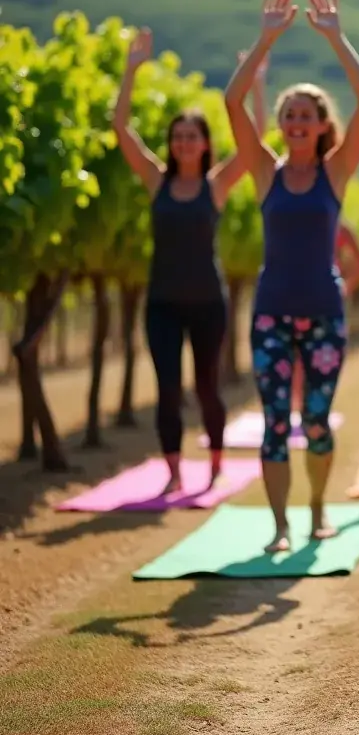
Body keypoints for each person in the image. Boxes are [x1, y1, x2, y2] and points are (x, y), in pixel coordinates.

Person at [224, 0, 359, 554]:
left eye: (305, 116)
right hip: (270, 316)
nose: (294, 122)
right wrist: (267, 37)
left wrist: (336, 38)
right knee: (272, 425)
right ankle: (280, 526)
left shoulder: (332, 176)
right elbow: (232, 103)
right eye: (288, 115)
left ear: (319, 126)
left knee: (315, 422)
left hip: (324, 316)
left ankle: (315, 512)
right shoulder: (264, 172)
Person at [113, 29, 260, 494]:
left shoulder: (215, 185)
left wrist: (254, 85)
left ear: (204, 143)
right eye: (177, 137)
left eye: (191, 136)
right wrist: (132, 70)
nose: (183, 143)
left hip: (207, 304)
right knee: (168, 391)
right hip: (162, 303)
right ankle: (174, 472)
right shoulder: (156, 182)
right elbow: (121, 129)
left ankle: (215, 463)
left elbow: (254, 147)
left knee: (207, 388)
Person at [290, 221, 359, 415]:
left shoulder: (338, 227)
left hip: (325, 303)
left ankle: (309, 410)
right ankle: (300, 409)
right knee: (299, 358)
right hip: (300, 298)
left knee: (317, 359)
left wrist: (345, 288)